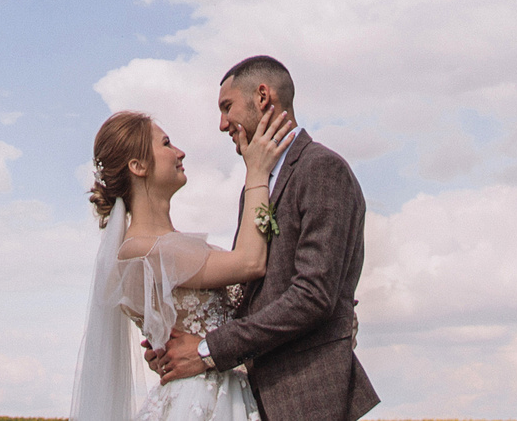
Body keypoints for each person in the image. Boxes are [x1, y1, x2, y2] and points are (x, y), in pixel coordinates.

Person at [149, 57, 378, 421]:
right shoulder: (256, 186)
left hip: (306, 396)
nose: (222, 124)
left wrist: (208, 349)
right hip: (255, 393)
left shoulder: (321, 169)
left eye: (227, 107)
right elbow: (257, 295)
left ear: (262, 97)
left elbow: (313, 296)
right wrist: (178, 343)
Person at [70, 99, 294, 421]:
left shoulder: (167, 247)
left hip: (222, 390)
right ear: (138, 166)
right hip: (201, 400)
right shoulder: (142, 250)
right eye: (165, 143)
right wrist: (256, 173)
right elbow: (249, 263)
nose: (179, 152)